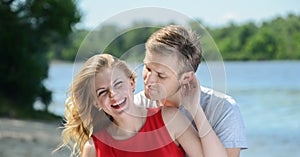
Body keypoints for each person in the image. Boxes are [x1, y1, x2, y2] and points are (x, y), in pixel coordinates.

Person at [56, 54, 227, 157]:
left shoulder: (169, 119)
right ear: (96, 102)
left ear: (131, 83)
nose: (113, 94)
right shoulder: (94, 147)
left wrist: (195, 108)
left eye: (118, 84)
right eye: (102, 92)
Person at [134, 25, 247, 157]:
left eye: (161, 75)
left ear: (186, 78)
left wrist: (195, 110)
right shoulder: (137, 105)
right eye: (147, 68)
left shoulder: (224, 110)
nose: (149, 80)